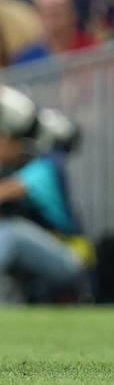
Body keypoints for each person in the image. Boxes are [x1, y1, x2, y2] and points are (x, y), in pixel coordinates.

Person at [0, 87, 85, 303]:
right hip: (38, 261)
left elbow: (5, 192)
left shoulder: (43, 168)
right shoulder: (21, 167)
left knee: (11, 232)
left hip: (70, 257)